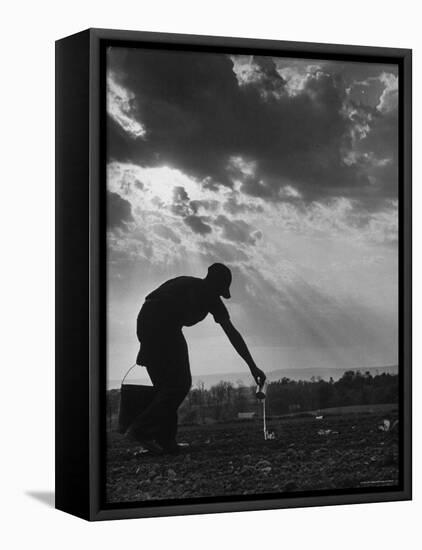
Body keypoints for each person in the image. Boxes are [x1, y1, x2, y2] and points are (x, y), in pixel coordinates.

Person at [126, 263, 266, 454]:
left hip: (161, 328)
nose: (218, 295)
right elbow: (154, 308)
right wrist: (146, 344)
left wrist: (252, 366)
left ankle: (166, 441)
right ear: (213, 282)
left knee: (166, 387)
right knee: (180, 384)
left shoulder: (212, 300)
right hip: (155, 325)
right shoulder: (186, 287)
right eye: (219, 289)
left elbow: (232, 333)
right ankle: (140, 430)